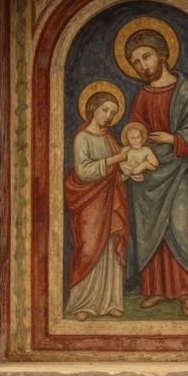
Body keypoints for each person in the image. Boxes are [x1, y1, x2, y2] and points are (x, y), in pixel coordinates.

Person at [123, 27, 188, 317]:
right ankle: (157, 289)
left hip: (179, 171)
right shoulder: (141, 95)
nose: (143, 66)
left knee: (181, 226)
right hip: (148, 175)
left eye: (146, 57)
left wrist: (174, 140)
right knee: (151, 230)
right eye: (136, 62)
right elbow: (133, 131)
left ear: (162, 54)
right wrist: (135, 153)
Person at [64, 90, 129, 320]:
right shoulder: (83, 137)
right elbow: (83, 172)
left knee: (110, 246)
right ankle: (83, 303)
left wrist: (130, 173)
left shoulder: (109, 137)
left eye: (113, 112)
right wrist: (115, 160)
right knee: (89, 247)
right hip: (89, 203)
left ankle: (110, 301)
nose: (109, 116)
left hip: (109, 201)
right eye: (105, 110)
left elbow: (115, 175)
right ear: (93, 109)